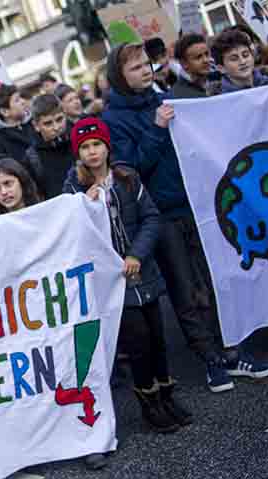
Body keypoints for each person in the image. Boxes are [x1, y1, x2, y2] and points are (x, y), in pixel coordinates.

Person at [103, 42, 268, 392]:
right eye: (136, 67)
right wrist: (156, 129)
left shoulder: (162, 99)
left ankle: (232, 351)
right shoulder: (113, 118)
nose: (145, 70)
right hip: (160, 216)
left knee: (216, 279)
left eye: (146, 64)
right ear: (120, 77)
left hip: (195, 205)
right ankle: (211, 360)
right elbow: (129, 169)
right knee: (185, 290)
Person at [64, 116, 192, 434]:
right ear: (78, 153)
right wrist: (84, 206)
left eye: (97, 145)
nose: (93, 152)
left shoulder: (126, 177)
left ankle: (167, 395)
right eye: (86, 147)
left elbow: (150, 217)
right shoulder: (73, 189)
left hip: (141, 271)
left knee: (158, 338)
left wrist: (137, 253)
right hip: (112, 282)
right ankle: (149, 403)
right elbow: (73, 234)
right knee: (138, 343)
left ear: (107, 147)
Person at [25, 94, 75, 201]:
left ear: (65, 115)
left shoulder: (79, 140)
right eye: (48, 123)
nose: (56, 127)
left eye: (59, 119)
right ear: (36, 126)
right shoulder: (32, 158)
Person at [207, 29, 268, 95]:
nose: (242, 61)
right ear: (221, 68)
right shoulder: (219, 99)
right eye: (234, 59)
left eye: (245, 55)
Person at [0, 84, 35, 162]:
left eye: (21, 97)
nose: (23, 101)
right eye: (17, 100)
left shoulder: (34, 123)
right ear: (5, 112)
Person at [172, 33, 213, 99]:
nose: (206, 60)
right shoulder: (178, 96)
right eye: (198, 57)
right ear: (184, 63)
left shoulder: (217, 82)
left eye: (207, 54)